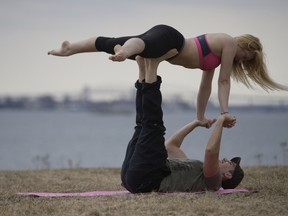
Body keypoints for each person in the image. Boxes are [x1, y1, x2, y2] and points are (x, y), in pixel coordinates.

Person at [48, 24, 288, 123]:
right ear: (246, 46)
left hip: (166, 50)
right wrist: (224, 112)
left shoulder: (213, 62)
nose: (242, 61)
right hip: (172, 40)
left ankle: (71, 49)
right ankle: (123, 53)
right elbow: (224, 82)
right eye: (247, 57)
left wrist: (200, 117)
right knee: (141, 45)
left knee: (109, 42)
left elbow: (206, 88)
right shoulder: (229, 43)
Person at [120, 49, 244, 193]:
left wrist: (221, 120)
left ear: (227, 175)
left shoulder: (213, 181)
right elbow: (171, 145)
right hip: (133, 178)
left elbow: (211, 151)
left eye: (229, 163)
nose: (225, 159)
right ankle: (143, 68)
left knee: (153, 126)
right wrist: (195, 122)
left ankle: (152, 66)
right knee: (142, 126)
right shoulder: (193, 168)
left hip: (145, 180)